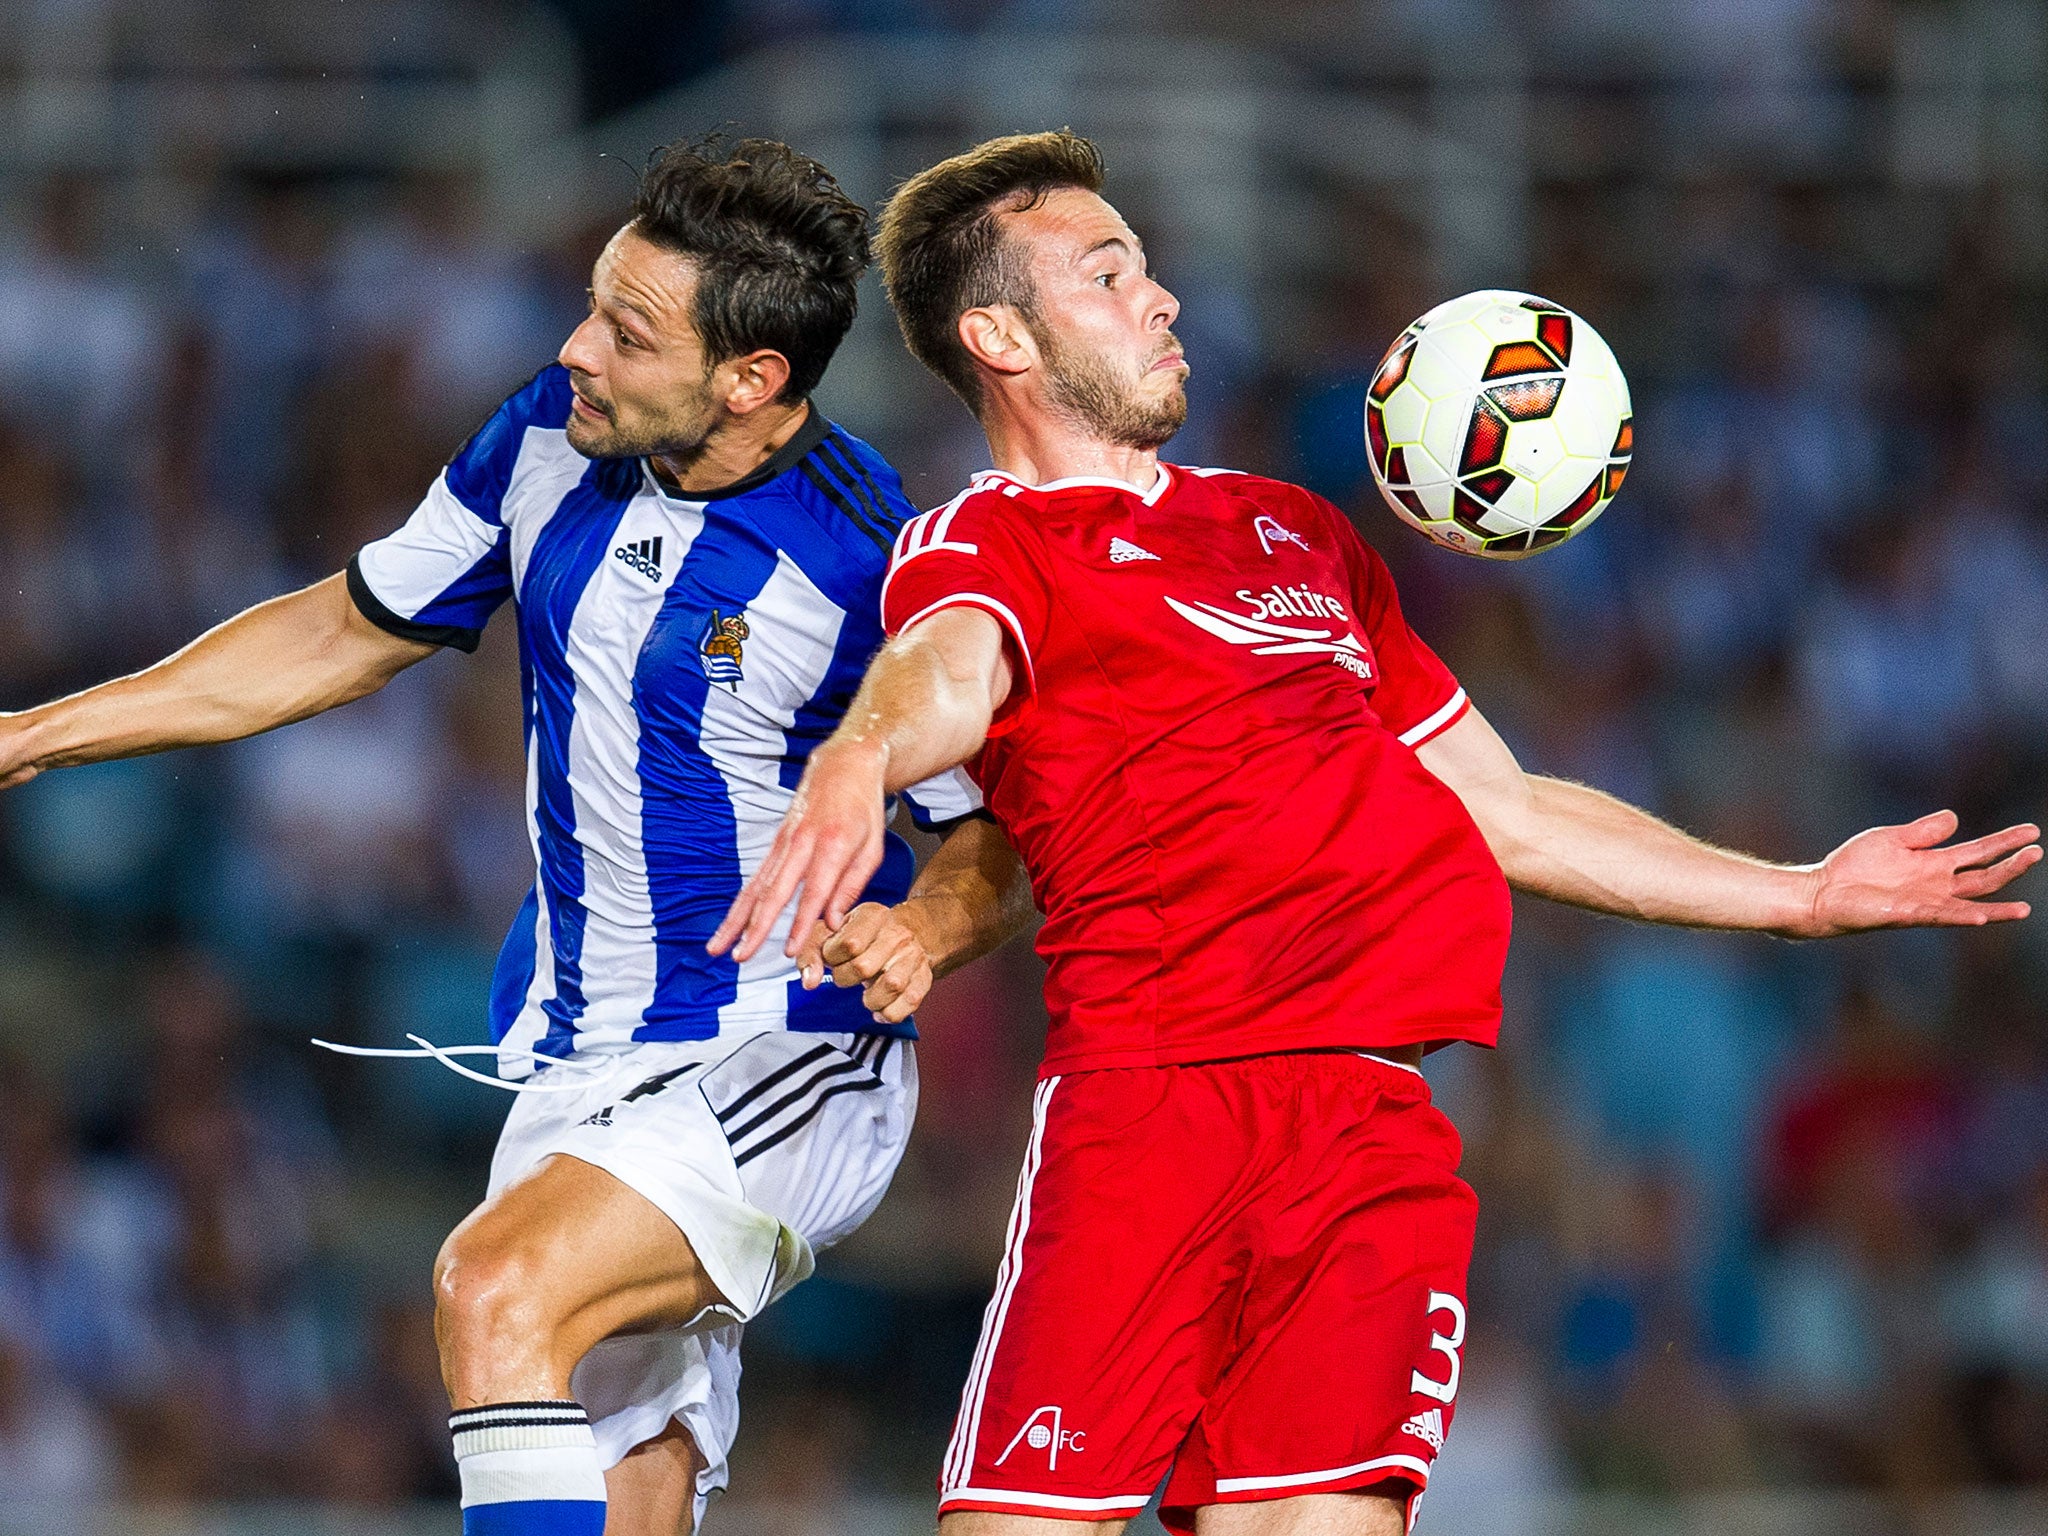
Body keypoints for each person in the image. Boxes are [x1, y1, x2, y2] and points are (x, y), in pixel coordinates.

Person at [710, 130, 2042, 1536]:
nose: (1161, 300)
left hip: (1370, 1130)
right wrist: (863, 754)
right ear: (1000, 336)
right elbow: (951, 665)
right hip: (1155, 1111)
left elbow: (1511, 806)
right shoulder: (988, 545)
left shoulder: (1300, 538)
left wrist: (1801, 894)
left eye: (1149, 268)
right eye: (1108, 275)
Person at [0, 137, 1031, 1536]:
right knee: (626, 1487)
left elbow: (1001, 845)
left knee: (497, 1288)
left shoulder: (872, 564)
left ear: (753, 378)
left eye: (625, 330)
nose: (575, 348)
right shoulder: (549, 433)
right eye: (594, 303)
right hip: (570, 1044)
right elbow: (340, 630)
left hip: (782, 1042)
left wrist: (918, 929)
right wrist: (31, 733)